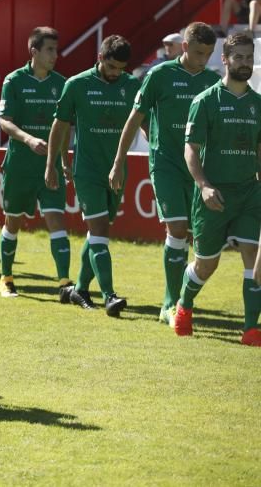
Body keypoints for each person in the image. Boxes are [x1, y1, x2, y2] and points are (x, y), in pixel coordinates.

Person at [109, 22, 219, 325]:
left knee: (202, 241)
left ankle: (182, 301)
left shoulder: (213, 81)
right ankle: (169, 304)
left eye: (208, 54)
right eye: (198, 52)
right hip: (166, 163)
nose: (203, 59)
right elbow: (135, 118)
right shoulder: (159, 75)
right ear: (184, 47)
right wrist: (119, 160)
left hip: (199, 170)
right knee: (178, 229)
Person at [174, 31, 261, 346]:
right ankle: (184, 304)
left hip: (249, 193)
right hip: (213, 195)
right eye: (238, 57)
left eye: (249, 58)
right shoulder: (205, 100)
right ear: (224, 59)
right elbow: (191, 150)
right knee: (206, 264)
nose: (245, 63)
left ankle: (251, 329)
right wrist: (204, 186)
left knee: (253, 253)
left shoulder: (258, 104)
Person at [46, 35, 139, 316]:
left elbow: (143, 123)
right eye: (111, 67)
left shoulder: (132, 85)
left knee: (96, 232)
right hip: (86, 171)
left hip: (117, 169)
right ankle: (109, 296)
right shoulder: (76, 85)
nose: (115, 73)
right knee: (100, 230)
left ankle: (79, 290)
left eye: (120, 69)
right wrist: (52, 164)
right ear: (100, 58)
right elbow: (60, 127)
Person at [0, 27, 71, 299]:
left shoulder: (62, 83)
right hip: (20, 165)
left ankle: (64, 283)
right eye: (50, 49)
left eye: (56, 49)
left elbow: (64, 126)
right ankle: (6, 278)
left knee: (56, 218)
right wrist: (28, 139)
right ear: (34, 52)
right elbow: (4, 121)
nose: (55, 55)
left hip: (49, 166)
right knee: (13, 221)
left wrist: (64, 160)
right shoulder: (14, 81)